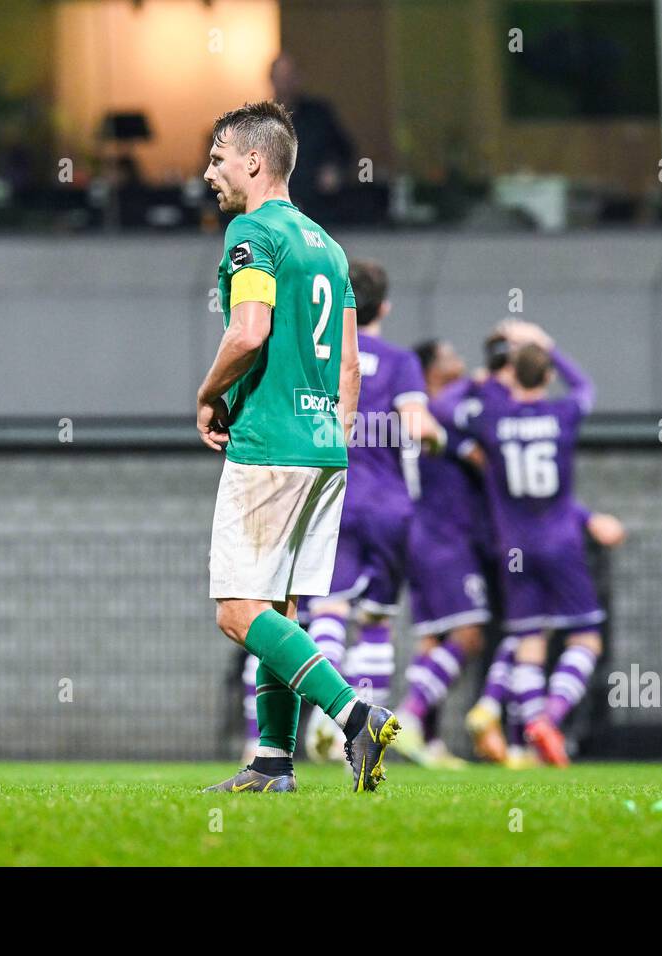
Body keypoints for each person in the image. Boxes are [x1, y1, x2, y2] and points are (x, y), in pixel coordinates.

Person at [195, 101, 399, 794]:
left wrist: (208, 393)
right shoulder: (326, 244)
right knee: (277, 611)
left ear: (254, 161)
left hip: (270, 444)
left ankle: (354, 714)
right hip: (322, 447)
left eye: (218, 157)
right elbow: (351, 362)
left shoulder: (252, 234)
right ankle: (272, 763)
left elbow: (248, 332)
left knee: (236, 611)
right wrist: (332, 431)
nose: (209, 171)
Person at [456, 325, 622, 767]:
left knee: (529, 640)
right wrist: (549, 344)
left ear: (513, 375)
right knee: (586, 638)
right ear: (547, 377)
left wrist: (483, 381)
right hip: (562, 540)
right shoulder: (564, 414)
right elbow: (586, 386)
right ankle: (548, 719)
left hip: (514, 548)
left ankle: (531, 740)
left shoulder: (492, 418)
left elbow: (444, 410)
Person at [301, 259, 441, 762]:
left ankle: (325, 713)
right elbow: (419, 426)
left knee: (329, 609)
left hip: (332, 498)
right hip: (388, 507)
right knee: (377, 619)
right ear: (384, 306)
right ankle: (359, 735)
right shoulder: (402, 361)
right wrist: (439, 437)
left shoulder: (320, 358)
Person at [390, 338, 494, 768]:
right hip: (442, 538)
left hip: (416, 536)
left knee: (431, 642)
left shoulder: (412, 420)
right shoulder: (438, 418)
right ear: (430, 371)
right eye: (451, 355)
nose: (460, 361)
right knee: (469, 633)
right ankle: (408, 717)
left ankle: (429, 743)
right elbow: (482, 459)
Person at [270, 54, 355, 224]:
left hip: (319, 208)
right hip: (277, 210)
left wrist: (334, 169)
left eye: (289, 76)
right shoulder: (262, 119)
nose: (285, 83)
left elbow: (346, 150)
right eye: (281, 77)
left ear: (298, 78)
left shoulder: (320, 115)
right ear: (272, 80)